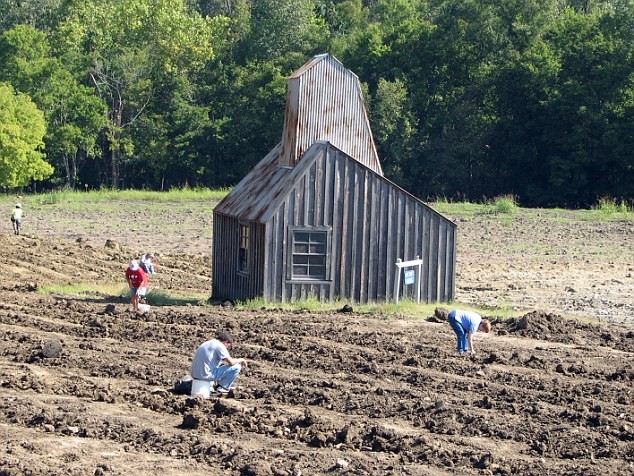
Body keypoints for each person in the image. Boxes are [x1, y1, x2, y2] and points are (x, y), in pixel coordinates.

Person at [190, 330, 247, 397]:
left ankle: (213, 387)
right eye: (228, 346)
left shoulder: (208, 343)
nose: (227, 348)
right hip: (205, 375)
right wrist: (241, 359)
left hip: (194, 374)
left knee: (220, 366)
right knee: (237, 367)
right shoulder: (220, 346)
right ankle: (221, 388)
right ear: (226, 342)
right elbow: (231, 362)